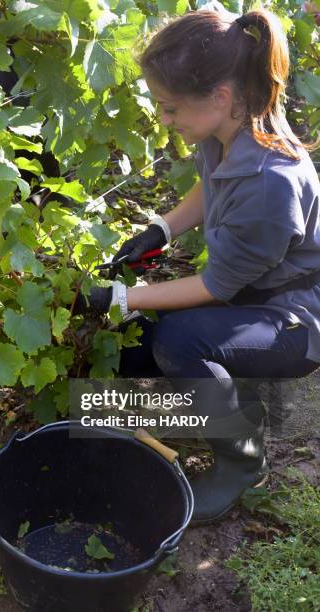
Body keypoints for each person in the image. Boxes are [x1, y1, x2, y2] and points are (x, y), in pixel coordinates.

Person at [75, 8, 320, 525]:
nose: (165, 121)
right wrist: (161, 229)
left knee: (179, 341)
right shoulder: (226, 131)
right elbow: (210, 187)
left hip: (296, 317)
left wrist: (119, 297)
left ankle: (241, 458)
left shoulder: (273, 181)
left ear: (220, 96)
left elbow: (214, 285)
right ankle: (184, 408)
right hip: (252, 291)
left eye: (169, 108)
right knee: (136, 348)